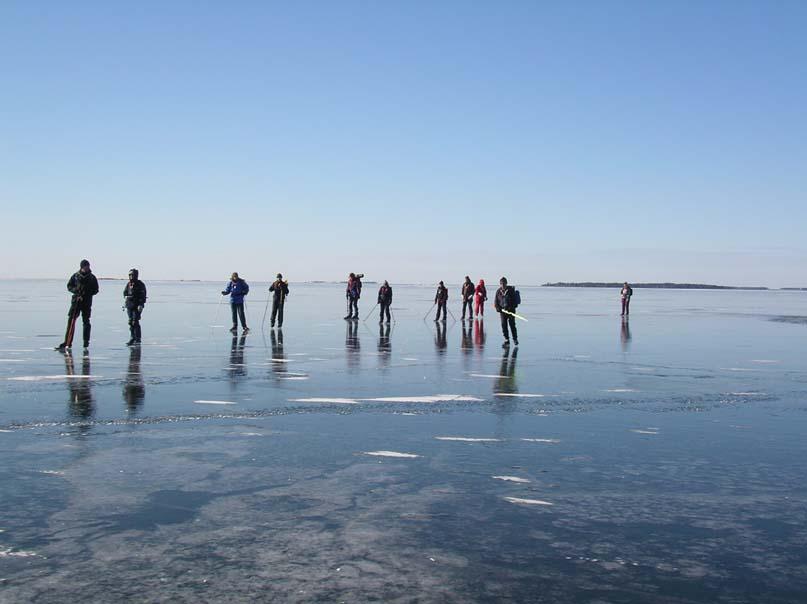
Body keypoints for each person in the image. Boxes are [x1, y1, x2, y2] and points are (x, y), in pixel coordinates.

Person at [56, 259, 100, 352]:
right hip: (76, 302)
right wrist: (76, 290)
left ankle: (86, 342)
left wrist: (87, 293)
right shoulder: (75, 276)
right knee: (71, 320)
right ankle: (67, 342)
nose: (87, 268)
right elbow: (69, 286)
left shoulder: (92, 277)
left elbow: (96, 290)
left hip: (87, 302)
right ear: (82, 267)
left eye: (88, 266)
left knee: (86, 322)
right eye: (85, 266)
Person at [123, 268, 147, 346]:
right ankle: (132, 337)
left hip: (137, 306)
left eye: (132, 275)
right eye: (130, 275)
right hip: (129, 305)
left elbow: (143, 296)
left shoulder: (140, 284)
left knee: (135, 321)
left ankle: (137, 338)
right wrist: (126, 296)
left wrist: (141, 304)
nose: (131, 277)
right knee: (130, 322)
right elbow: (125, 292)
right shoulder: (128, 284)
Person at [494, 277, 519, 347]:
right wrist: (498, 308)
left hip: (511, 311)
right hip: (502, 312)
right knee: (503, 325)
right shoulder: (498, 291)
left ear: (506, 283)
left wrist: (510, 308)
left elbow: (514, 301)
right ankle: (506, 339)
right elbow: (496, 301)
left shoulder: (511, 290)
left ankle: (515, 339)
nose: (503, 285)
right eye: (501, 284)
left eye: (504, 283)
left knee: (512, 325)